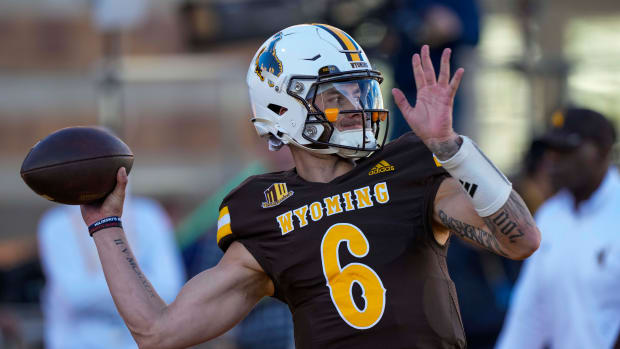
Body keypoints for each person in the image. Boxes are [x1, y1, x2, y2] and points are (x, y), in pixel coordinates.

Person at [79, 24, 540, 348]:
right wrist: (107, 225)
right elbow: (159, 333)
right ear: (282, 108)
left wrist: (452, 148)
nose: (358, 107)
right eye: (336, 95)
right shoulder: (262, 209)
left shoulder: (411, 166)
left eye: (361, 92)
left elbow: (520, 241)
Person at [496, 107, 620, 349]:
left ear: (602, 151)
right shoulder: (550, 216)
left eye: (566, 151)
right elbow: (529, 312)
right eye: (550, 151)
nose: (552, 161)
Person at [38, 192, 185, 349]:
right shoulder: (55, 224)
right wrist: (140, 291)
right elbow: (74, 295)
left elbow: (170, 289)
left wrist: (97, 288)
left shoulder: (149, 215)